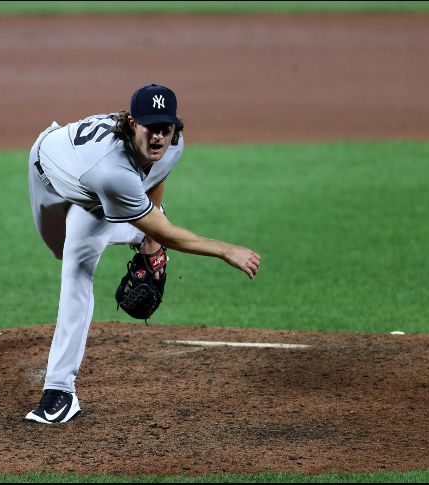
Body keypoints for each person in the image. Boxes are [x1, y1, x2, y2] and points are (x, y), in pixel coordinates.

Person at [25, 84, 261, 424]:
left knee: (76, 266)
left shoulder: (173, 143)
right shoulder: (111, 170)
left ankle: (59, 390)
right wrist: (224, 250)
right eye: (151, 128)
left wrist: (153, 239)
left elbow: (155, 175)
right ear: (133, 123)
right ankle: (141, 235)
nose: (159, 138)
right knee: (59, 249)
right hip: (49, 174)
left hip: (94, 197)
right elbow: (163, 228)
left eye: (166, 129)